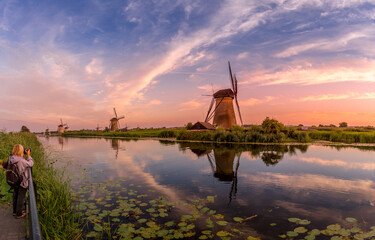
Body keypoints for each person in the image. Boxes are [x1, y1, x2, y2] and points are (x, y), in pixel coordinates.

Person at [8, 144, 34, 218]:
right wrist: (28, 155)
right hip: (22, 181)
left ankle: (14, 211)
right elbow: (31, 164)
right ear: (21, 151)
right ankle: (19, 214)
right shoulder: (21, 160)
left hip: (14, 180)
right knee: (21, 197)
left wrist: (22, 155)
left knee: (15, 195)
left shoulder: (11, 158)